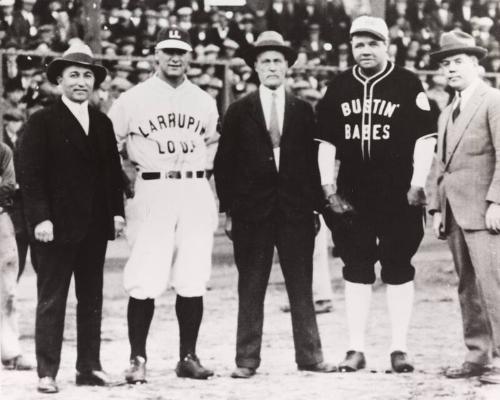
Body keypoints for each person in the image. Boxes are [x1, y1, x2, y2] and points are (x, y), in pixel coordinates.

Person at [316, 16, 436, 373]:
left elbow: (424, 140)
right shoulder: (339, 86)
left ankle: (399, 348)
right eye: (358, 44)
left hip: (398, 190)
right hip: (354, 191)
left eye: (372, 43)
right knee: (356, 267)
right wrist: (328, 188)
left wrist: (418, 183)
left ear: (387, 46)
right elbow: (325, 143)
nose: (365, 50)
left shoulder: (406, 82)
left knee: (398, 266)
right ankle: (356, 348)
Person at [214, 30, 336, 379]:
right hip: (252, 212)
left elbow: (313, 165)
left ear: (288, 67)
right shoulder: (239, 111)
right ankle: (246, 359)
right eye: (264, 61)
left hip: (295, 211)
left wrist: (315, 208)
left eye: (277, 61)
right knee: (251, 285)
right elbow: (225, 165)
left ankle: (310, 356)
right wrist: (230, 211)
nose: (271, 67)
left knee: (301, 285)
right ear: (255, 66)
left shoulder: (302, 110)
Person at [108, 26, 219, 383]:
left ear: (190, 56)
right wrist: (126, 183)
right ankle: (138, 358)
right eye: (168, 50)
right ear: (155, 54)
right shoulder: (132, 99)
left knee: (193, 275)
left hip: (195, 188)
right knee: (145, 275)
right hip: (153, 188)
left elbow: (214, 143)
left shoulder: (203, 99)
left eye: (181, 51)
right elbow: (110, 146)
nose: (175, 57)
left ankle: (188, 356)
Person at [18, 43, 125, 394]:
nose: (81, 81)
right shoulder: (41, 121)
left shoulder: (103, 122)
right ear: (59, 80)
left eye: (87, 75)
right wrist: (40, 219)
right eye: (74, 75)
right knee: (53, 299)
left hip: (93, 228)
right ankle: (47, 371)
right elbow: (30, 176)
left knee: (91, 299)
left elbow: (112, 174)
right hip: (54, 229)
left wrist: (116, 214)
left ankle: (89, 367)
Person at [429, 30, 500, 384]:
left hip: (486, 213)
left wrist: (497, 201)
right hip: (456, 212)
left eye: (458, 61)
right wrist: (438, 209)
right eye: (446, 63)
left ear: (476, 64)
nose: (451, 69)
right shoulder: (447, 112)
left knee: (495, 285)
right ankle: (478, 355)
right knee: (467, 286)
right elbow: (442, 166)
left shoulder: (493, 101)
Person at [0, 142, 32, 371]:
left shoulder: (3, 151)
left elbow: (8, 185)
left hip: (0, 219)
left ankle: (10, 352)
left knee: (7, 290)